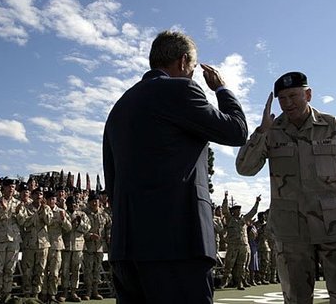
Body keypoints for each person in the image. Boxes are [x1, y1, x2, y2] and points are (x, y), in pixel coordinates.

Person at [103, 30, 248, 304]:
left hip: (126, 247)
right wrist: (221, 89)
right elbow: (237, 131)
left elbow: (112, 180)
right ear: (183, 62)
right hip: (176, 245)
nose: (193, 75)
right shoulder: (180, 89)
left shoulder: (120, 106)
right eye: (193, 69)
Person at [236, 71, 336, 304]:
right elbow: (245, 168)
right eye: (282, 98)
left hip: (335, 228)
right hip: (291, 233)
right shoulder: (272, 131)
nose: (287, 103)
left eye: (293, 95)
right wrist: (261, 131)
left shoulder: (332, 127)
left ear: (308, 94)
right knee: (296, 299)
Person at [0, 178, 25, 298]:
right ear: (3, 187)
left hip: (14, 238)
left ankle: (7, 293)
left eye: (13, 187)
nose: (11, 189)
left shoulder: (18, 203)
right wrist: (4, 211)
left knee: (10, 269)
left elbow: (22, 221)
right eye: (9, 186)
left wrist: (18, 212)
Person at [221, 192, 260, 290]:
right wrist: (225, 198)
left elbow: (252, 213)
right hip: (233, 246)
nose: (238, 211)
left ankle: (240, 282)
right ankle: (224, 282)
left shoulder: (243, 220)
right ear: (233, 212)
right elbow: (225, 210)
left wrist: (257, 202)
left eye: (239, 210)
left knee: (242, 265)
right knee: (228, 264)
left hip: (243, 245)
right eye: (237, 210)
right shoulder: (230, 219)